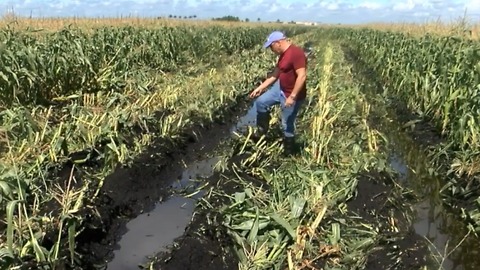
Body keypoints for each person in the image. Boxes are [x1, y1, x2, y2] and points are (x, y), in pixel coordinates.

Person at [249, 31, 307, 155]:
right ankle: (262, 131)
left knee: (287, 123)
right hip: (280, 88)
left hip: (291, 94)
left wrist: (292, 97)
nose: (271, 49)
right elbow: (275, 75)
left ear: (278, 43)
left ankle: (289, 151)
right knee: (261, 102)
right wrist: (260, 88)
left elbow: (301, 76)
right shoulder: (283, 54)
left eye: (271, 46)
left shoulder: (296, 53)